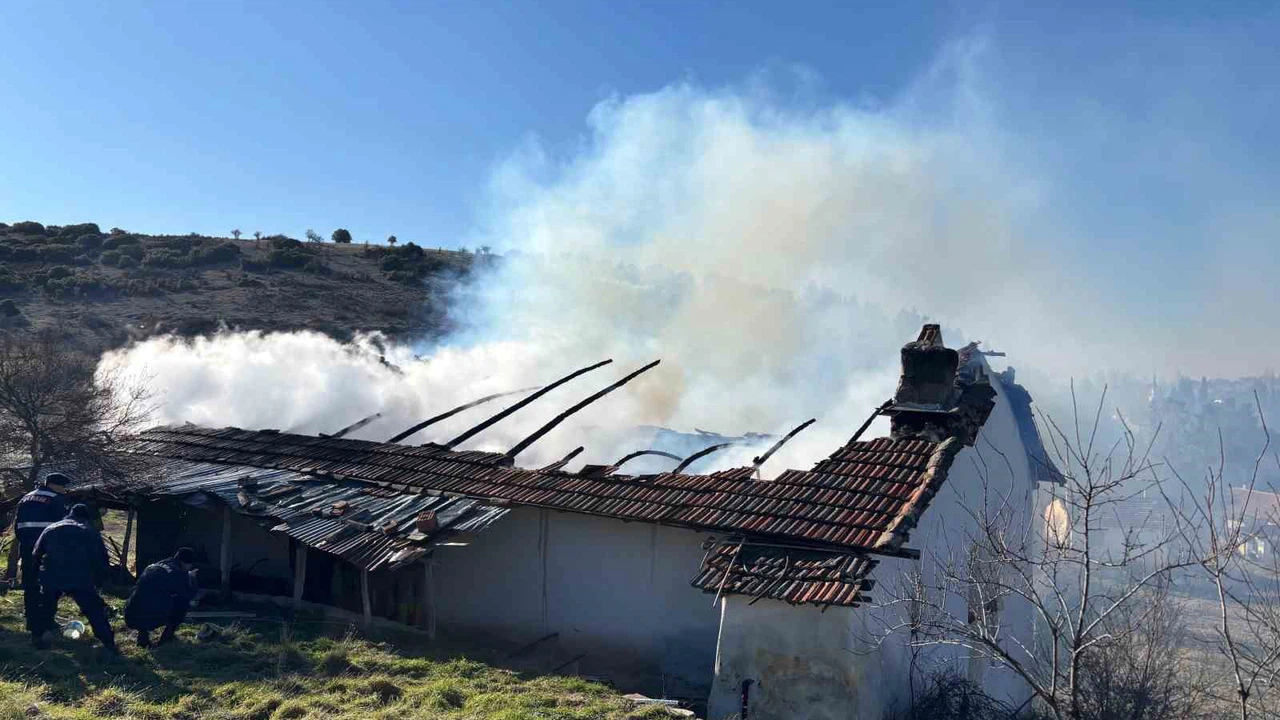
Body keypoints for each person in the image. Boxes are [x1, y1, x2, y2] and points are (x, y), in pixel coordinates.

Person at [30, 504, 117, 653]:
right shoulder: (89, 531)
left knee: (45, 608)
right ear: (86, 518)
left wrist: (37, 574)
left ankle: (37, 637)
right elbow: (101, 559)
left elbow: (36, 554)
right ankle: (108, 643)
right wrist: (99, 580)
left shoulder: (51, 528)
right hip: (80, 578)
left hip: (52, 575)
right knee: (94, 610)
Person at [13, 473, 70, 643]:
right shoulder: (55, 499)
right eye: (62, 486)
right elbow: (62, 526)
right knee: (50, 586)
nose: (64, 490)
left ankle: (32, 622)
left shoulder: (25, 498)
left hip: (27, 548)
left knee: (30, 586)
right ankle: (46, 622)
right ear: (54, 485)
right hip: (47, 550)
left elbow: (17, 526)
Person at [125, 547, 197, 648]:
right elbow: (189, 594)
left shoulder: (159, 564)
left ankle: (143, 637)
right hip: (150, 615)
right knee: (182, 603)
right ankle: (166, 639)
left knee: (149, 598)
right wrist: (192, 578)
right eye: (191, 565)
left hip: (131, 612)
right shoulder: (178, 572)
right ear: (185, 563)